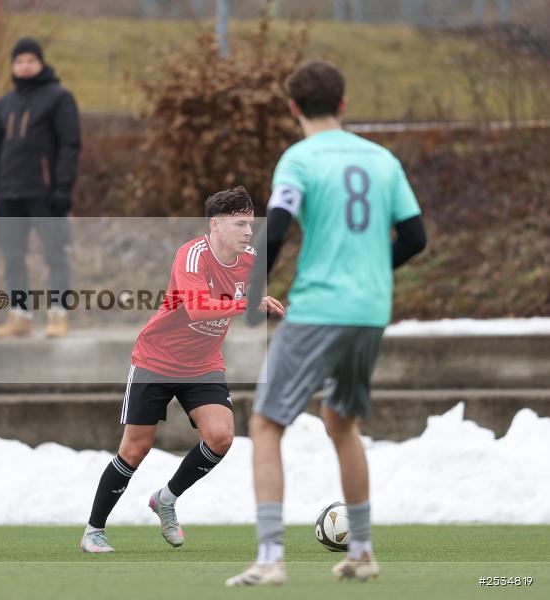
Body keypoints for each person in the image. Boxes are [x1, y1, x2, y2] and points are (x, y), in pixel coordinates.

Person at [226, 61, 427, 587]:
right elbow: (415, 237)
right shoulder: (382, 160)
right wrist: (371, 272)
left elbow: (277, 228)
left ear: (294, 108)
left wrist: (252, 296)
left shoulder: (298, 159)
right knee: (342, 423)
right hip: (368, 312)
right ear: (342, 104)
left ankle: (271, 557)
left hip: (319, 307)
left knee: (266, 423)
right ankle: (361, 551)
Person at [79, 187, 284, 553]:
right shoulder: (191, 256)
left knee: (221, 436)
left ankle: (167, 498)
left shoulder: (252, 259)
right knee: (134, 450)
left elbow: (248, 310)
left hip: (202, 364)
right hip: (157, 359)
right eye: (240, 224)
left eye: (251, 225)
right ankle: (93, 531)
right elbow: (198, 309)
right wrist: (245, 303)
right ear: (215, 225)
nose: (249, 233)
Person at [0, 37, 81, 339]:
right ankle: (20, 315)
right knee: (13, 257)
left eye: (30, 60)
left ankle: (58, 314)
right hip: (10, 195)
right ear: (13, 66)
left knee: (54, 254)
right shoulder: (4, 104)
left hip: (46, 193)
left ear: (40, 63)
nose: (24, 66)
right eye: (19, 61)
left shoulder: (59, 98)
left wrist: (62, 187)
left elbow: (70, 145)